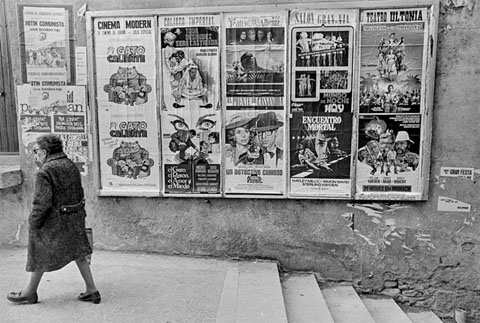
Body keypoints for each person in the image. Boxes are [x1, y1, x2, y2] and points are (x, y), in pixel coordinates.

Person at [7, 134, 100, 305]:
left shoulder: (45, 171)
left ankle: (29, 292)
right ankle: (92, 290)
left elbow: (41, 203)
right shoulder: (70, 164)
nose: (35, 155)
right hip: (75, 217)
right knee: (79, 252)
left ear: (44, 151)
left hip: (56, 221)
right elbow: (79, 192)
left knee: (38, 248)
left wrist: (34, 222)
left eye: (35, 151)